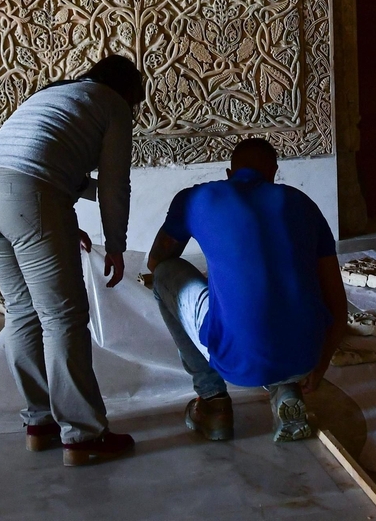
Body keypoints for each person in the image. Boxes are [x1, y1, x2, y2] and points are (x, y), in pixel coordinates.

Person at [0, 54, 143, 467]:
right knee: (62, 316)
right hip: (26, 195)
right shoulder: (112, 104)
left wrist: (55, 218)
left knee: (23, 310)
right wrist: (115, 244)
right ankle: (83, 435)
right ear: (129, 91)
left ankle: (40, 422)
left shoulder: (57, 94)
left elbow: (49, 160)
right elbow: (115, 184)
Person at [145, 137, 347, 443]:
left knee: (165, 276)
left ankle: (212, 403)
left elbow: (156, 261)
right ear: (274, 173)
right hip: (306, 357)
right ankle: (286, 390)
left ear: (229, 173)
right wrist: (319, 367)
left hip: (237, 361)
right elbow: (336, 301)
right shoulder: (302, 203)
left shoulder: (196, 198)